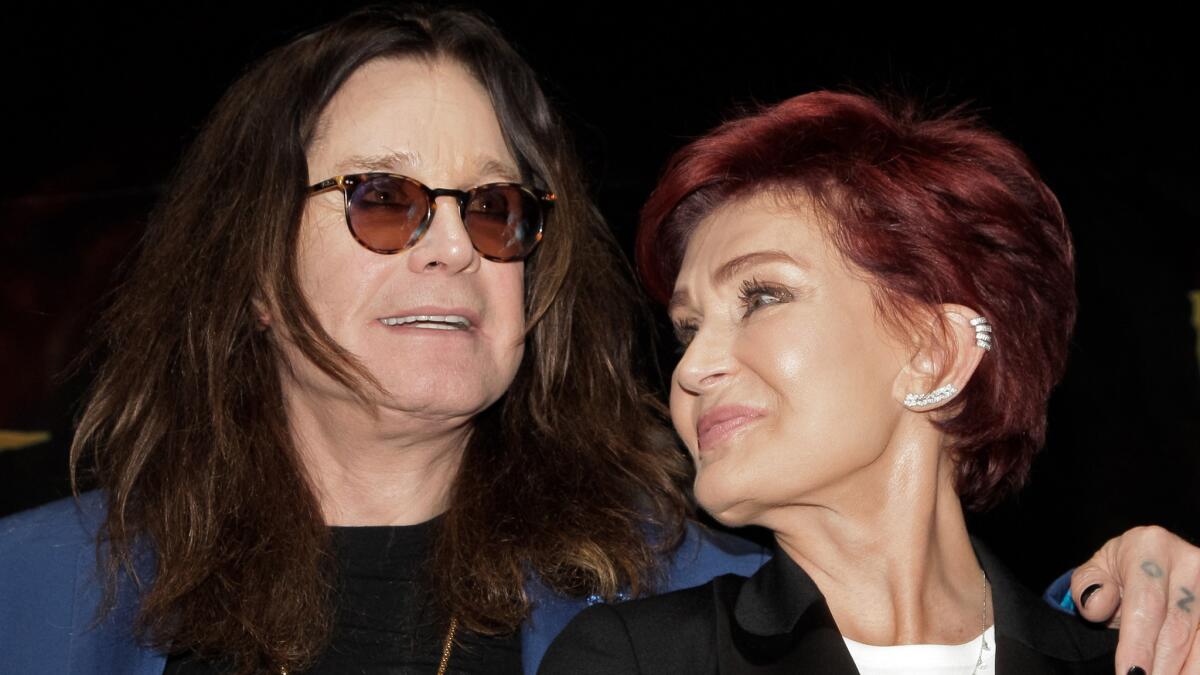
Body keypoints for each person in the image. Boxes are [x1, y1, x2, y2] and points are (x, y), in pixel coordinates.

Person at [0, 8, 1194, 675]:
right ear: (254, 271)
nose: (452, 247)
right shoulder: (31, 590)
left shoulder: (673, 586)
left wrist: (1133, 599)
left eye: (494, 208)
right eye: (382, 200)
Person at [540, 91, 1198, 675]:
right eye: (688, 330)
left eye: (761, 297)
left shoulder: (1131, 659)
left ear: (934, 354)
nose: (690, 369)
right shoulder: (635, 657)